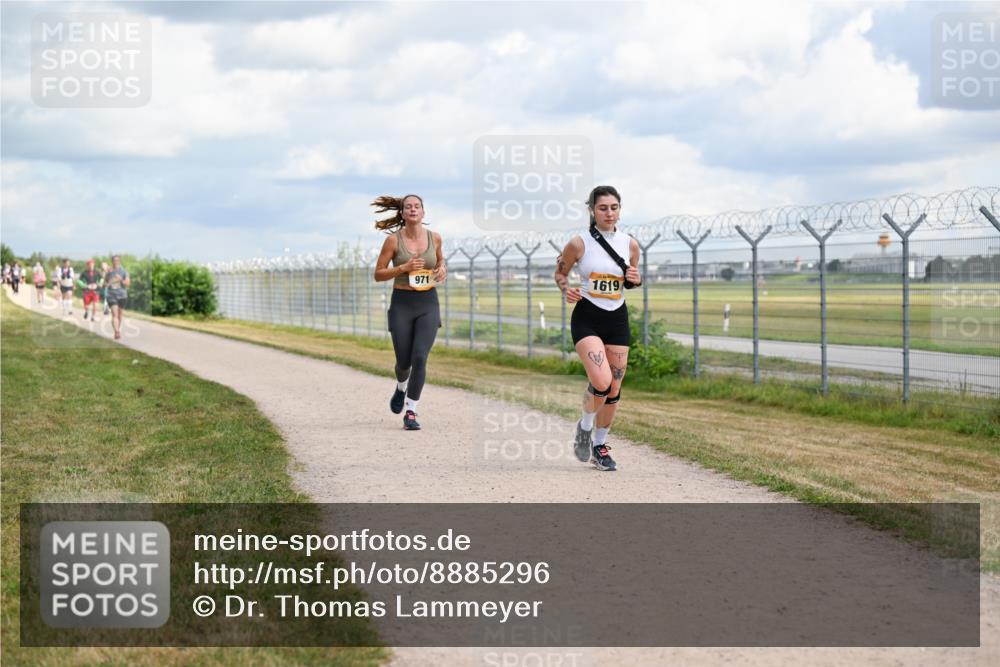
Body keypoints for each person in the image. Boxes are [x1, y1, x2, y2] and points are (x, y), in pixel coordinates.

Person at [553, 185, 642, 471]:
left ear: (620, 209)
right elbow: (560, 271)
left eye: (614, 207)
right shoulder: (579, 243)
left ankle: (599, 446)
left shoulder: (630, 244)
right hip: (588, 316)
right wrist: (566, 289)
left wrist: (635, 279)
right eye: (603, 208)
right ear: (591, 209)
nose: (609, 213)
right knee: (601, 381)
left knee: (614, 388)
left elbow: (630, 279)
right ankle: (585, 425)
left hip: (617, 318)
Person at [372, 194, 447, 430]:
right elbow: (378, 274)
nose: (413, 210)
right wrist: (403, 268)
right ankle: (401, 386)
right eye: (408, 207)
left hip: (428, 302)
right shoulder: (393, 242)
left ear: (423, 212)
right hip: (402, 302)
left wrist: (442, 269)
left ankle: (411, 411)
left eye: (417, 206)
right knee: (404, 362)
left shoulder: (435, 238)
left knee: (420, 356)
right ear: (402, 214)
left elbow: (439, 262)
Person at [104, 255, 130, 340]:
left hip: (122, 295)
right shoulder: (109, 272)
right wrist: (107, 283)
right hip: (111, 295)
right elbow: (105, 284)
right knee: (114, 314)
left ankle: (117, 329)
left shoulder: (124, 271)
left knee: (119, 314)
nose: (116, 262)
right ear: (112, 261)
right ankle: (116, 332)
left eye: (117, 260)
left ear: (119, 261)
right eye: (114, 260)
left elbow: (128, 283)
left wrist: (121, 279)